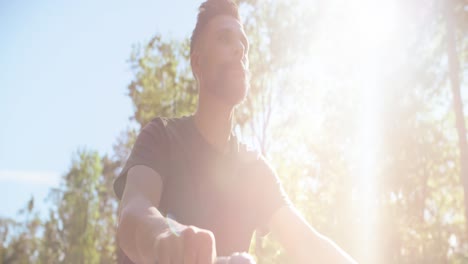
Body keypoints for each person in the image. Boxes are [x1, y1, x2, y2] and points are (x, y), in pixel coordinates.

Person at [114, 0, 358, 263]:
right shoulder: (161, 137)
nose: (240, 48)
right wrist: (163, 237)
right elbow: (133, 212)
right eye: (224, 38)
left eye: (244, 44)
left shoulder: (254, 170)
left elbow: (308, 244)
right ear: (198, 63)